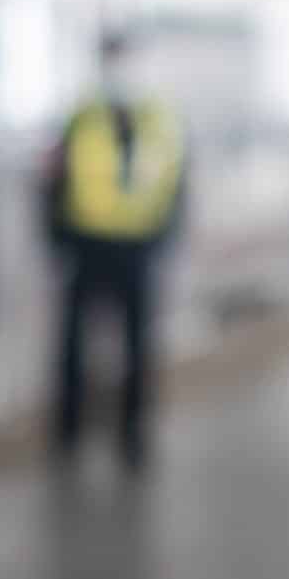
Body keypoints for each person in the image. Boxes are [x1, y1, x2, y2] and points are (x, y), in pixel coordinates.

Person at [42, 30, 186, 473]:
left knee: (138, 347)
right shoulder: (79, 117)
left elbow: (176, 183)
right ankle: (67, 435)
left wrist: (164, 238)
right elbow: (51, 180)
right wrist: (57, 238)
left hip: (138, 247)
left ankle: (132, 436)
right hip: (86, 245)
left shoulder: (159, 119)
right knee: (73, 345)